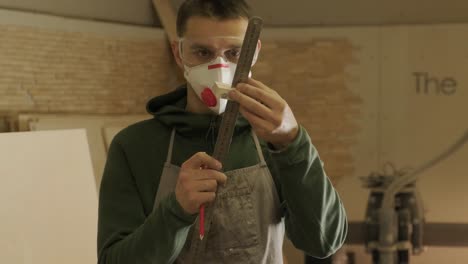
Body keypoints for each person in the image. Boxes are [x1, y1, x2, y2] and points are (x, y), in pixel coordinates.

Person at [97, 0, 347, 263]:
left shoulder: (272, 140)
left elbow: (324, 242)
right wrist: (176, 211)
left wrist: (293, 143)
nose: (219, 67)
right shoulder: (134, 146)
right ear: (178, 53)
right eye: (203, 53)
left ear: (254, 52)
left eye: (234, 53)